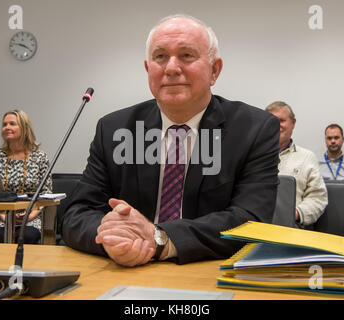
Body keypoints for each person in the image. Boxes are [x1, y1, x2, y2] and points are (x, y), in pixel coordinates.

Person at [62, 14, 280, 266]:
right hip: (125, 270)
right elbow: (76, 213)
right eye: (160, 57)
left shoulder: (255, 129)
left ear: (214, 70)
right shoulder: (114, 128)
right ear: (148, 69)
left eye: (187, 55)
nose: (172, 68)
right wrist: (113, 238)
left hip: (206, 272)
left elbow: (250, 222)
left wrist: (160, 239)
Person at [0, 109, 52, 243]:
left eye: (12, 124)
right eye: (4, 124)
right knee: (0, 237)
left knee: (27, 237)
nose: (7, 127)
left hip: (31, 218)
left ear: (25, 128)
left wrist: (31, 215)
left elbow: (46, 193)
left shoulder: (40, 157)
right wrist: (5, 217)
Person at [265, 101, 328, 227]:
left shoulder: (307, 157)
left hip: (291, 231)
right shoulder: (251, 155)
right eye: (272, 121)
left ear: (293, 123)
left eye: (281, 120)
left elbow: (318, 198)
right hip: (255, 230)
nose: (277, 125)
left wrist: (294, 214)